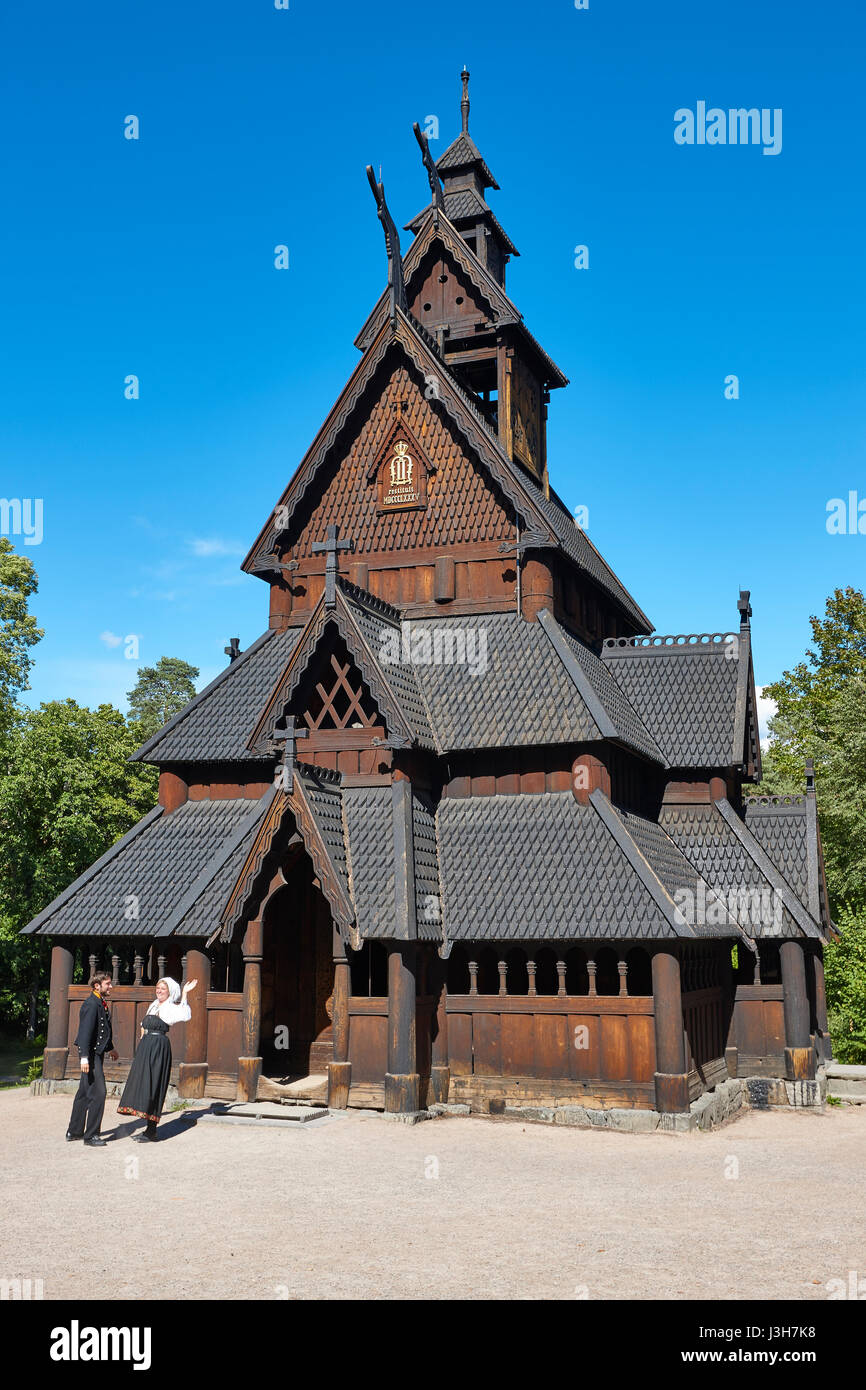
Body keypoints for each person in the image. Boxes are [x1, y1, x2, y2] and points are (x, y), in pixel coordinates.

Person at [117, 976, 196, 1141]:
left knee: (153, 1084)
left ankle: (151, 1130)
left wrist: (185, 994)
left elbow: (185, 1014)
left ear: (169, 992)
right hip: (146, 1046)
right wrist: (142, 1041)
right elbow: (143, 1025)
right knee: (143, 1083)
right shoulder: (153, 1005)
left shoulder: (170, 1008)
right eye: (158, 988)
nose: (159, 991)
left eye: (163, 989)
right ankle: (148, 1127)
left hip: (158, 1047)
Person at [67, 971, 119, 1147]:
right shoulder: (91, 1003)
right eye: (108, 984)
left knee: (84, 1093)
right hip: (90, 1055)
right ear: (97, 986)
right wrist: (83, 1057)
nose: (110, 986)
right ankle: (91, 1136)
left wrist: (110, 1048)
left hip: (96, 1053)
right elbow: (85, 1032)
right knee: (99, 1093)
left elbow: (101, 1029)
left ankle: (74, 1132)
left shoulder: (99, 1002)